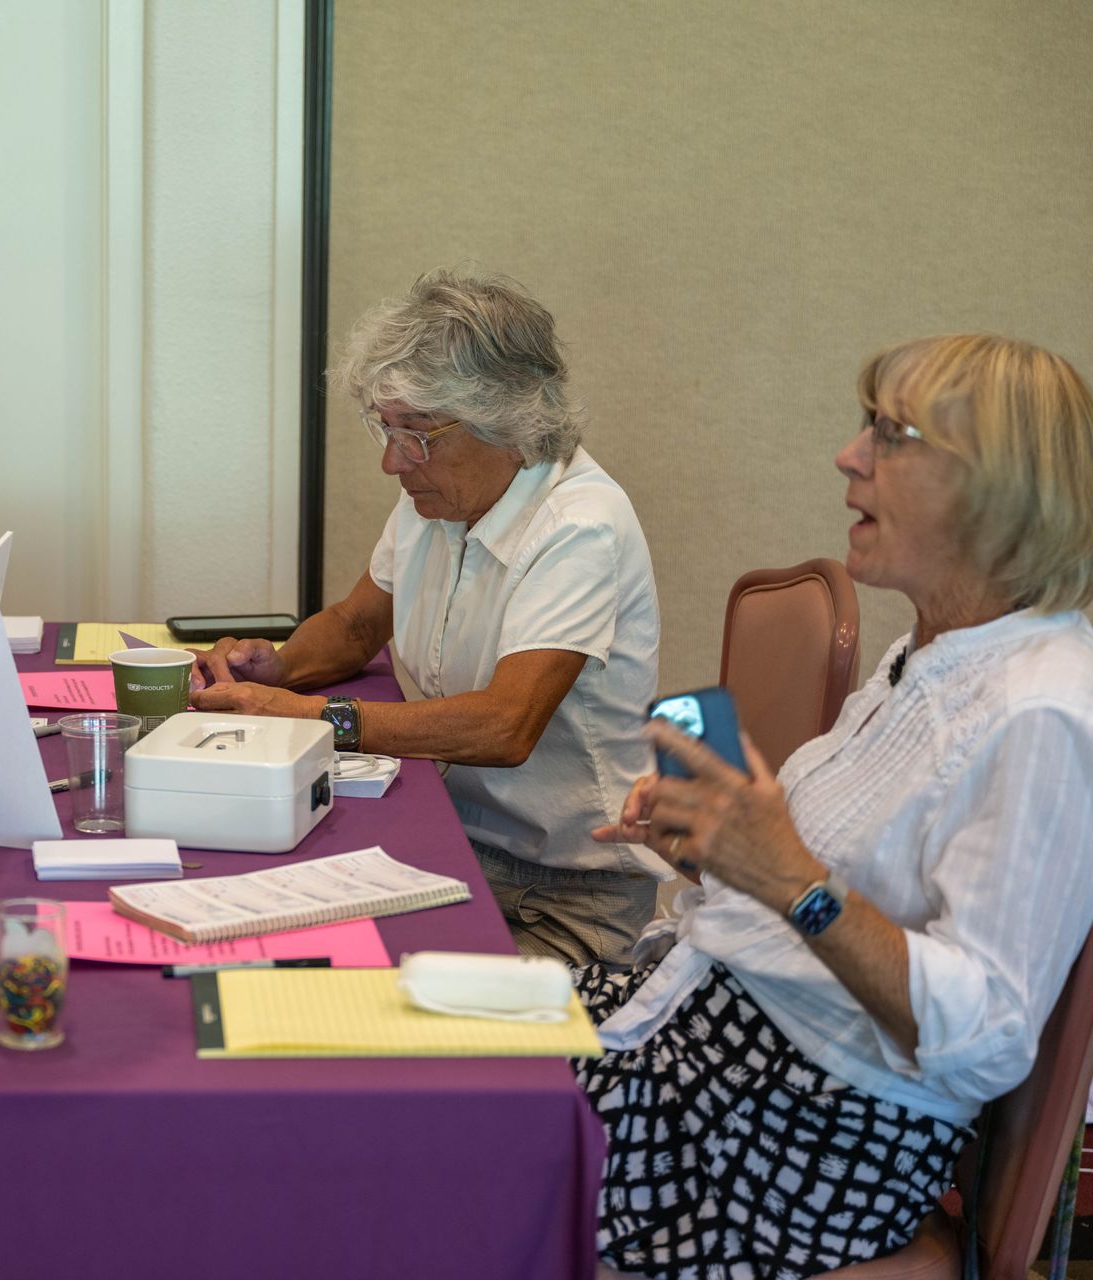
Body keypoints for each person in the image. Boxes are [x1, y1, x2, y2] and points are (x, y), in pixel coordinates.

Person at [579, 334, 1093, 1277]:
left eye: (890, 434)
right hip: (709, 1053)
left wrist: (789, 879)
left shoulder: (1045, 710)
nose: (848, 456)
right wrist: (717, 848)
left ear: (1001, 490)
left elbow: (985, 1039)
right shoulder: (931, 656)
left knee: (411, 1137)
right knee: (403, 1055)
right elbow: (818, 887)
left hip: (784, 1138)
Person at [192, 269, 665, 966]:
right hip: (452, 843)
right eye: (386, 429)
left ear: (508, 422)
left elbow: (505, 726)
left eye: (417, 435)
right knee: (267, 945)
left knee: (361, 1013)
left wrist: (313, 717)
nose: (393, 461)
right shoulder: (442, 495)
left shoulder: (578, 527)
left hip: (564, 898)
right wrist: (280, 664)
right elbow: (357, 625)